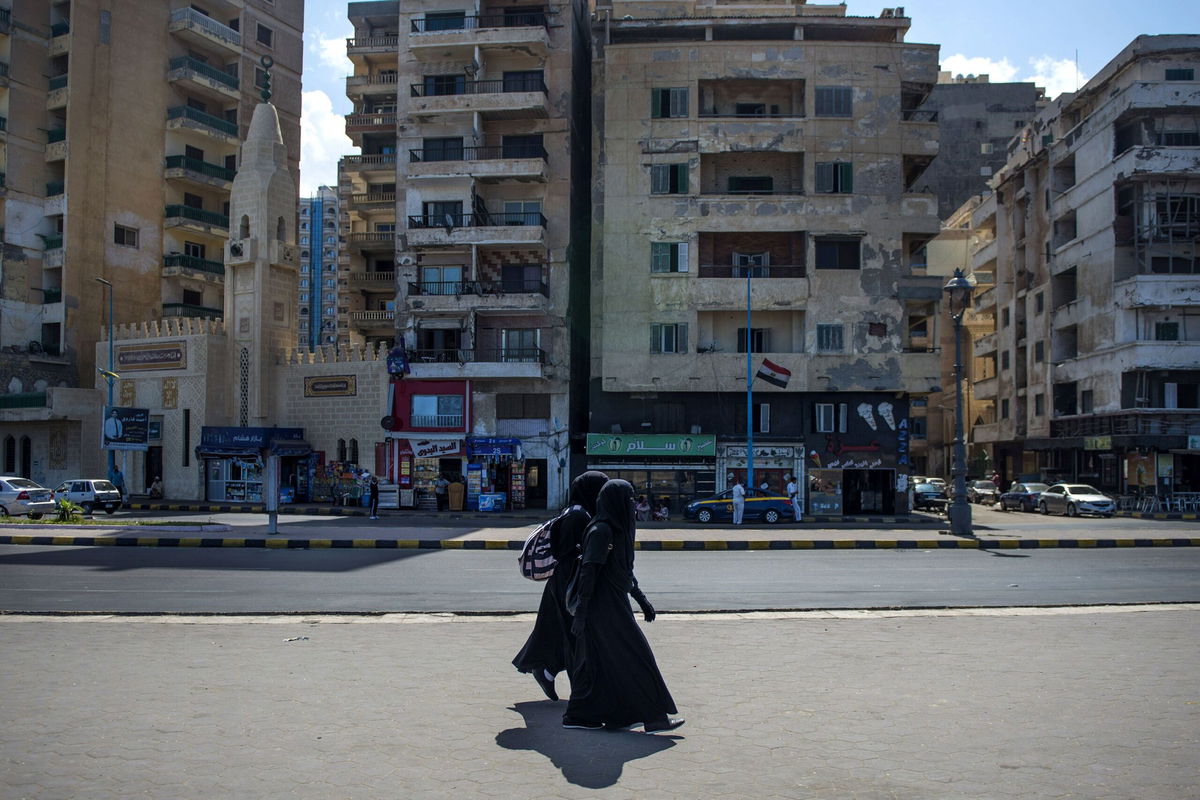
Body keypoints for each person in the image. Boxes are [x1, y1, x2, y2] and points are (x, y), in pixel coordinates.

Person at [563, 478, 683, 732]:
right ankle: (654, 717)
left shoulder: (614, 530)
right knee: (635, 657)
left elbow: (622, 572)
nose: (631, 504)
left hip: (612, 604)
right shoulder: (601, 531)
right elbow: (589, 572)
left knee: (596, 662)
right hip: (602, 607)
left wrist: (641, 599)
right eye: (628, 500)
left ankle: (586, 716)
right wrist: (582, 613)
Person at [513, 470, 609, 703]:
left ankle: (545, 670)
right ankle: (582, 693)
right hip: (570, 584)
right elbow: (574, 552)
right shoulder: (578, 517)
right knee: (578, 636)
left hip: (565, 582)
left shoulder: (577, 512)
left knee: (558, 632)